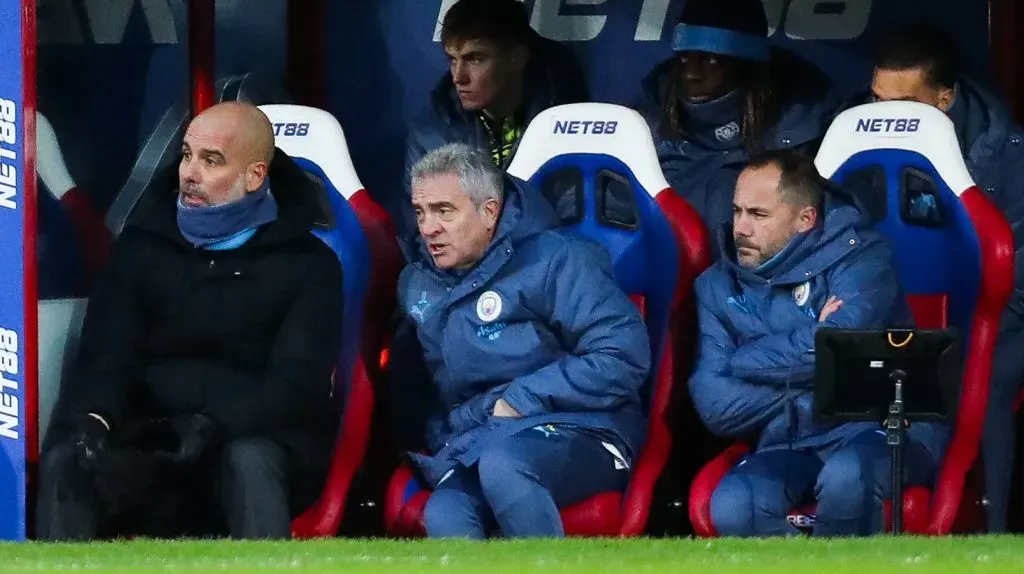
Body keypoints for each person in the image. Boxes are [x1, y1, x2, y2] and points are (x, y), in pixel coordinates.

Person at [35, 101, 344, 541]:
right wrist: (96, 419)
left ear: (255, 176)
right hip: (153, 437)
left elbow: (296, 385)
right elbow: (108, 358)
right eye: (186, 155)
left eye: (211, 160)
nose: (190, 173)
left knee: (249, 460)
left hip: (252, 440)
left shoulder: (310, 265)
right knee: (68, 460)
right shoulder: (140, 248)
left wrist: (214, 426)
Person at [690, 150, 948, 536]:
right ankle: (805, 562)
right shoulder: (715, 286)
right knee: (734, 504)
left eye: (758, 215)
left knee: (847, 477)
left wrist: (743, 360)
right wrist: (816, 340)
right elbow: (716, 406)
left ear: (805, 219)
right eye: (737, 211)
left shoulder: (861, 257)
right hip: (788, 439)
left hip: (878, 428)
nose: (740, 228)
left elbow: (843, 348)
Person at [398, 143, 649, 538]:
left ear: (489, 211)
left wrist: (521, 398)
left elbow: (623, 353)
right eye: (420, 212)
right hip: (484, 433)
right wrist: (444, 433)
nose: (428, 228)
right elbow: (425, 386)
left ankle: (544, 564)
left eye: (444, 211)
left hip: (587, 425)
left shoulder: (557, 259)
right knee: (446, 509)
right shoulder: (418, 283)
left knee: (504, 466)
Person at [865, 24, 1024, 532]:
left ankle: (993, 527)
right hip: (896, 308)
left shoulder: (1007, 154)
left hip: (1000, 316)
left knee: (985, 377)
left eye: (904, 105)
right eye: (877, 101)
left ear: (944, 99)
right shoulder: (852, 135)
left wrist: (968, 331)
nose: (886, 118)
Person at [636, 0, 839, 257]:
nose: (691, 74)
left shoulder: (802, 130)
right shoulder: (646, 123)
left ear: (746, 67)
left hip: (761, 278)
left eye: (710, 61)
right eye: (685, 59)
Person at [398, 0, 587, 238]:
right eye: (453, 60)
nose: (458, 77)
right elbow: (419, 233)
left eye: (475, 59)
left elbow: (578, 223)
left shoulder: (569, 124)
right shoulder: (431, 131)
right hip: (464, 261)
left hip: (545, 256)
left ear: (517, 58)